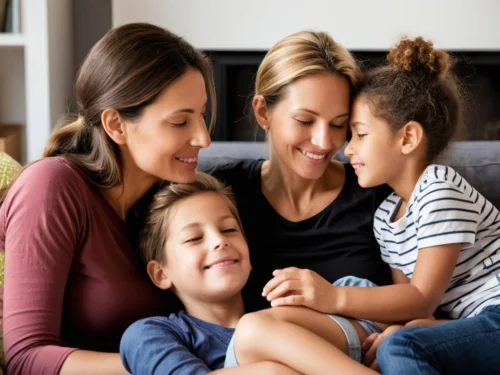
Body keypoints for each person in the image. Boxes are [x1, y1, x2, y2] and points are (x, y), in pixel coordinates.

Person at [0, 22, 214, 375]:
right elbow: (27, 358)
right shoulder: (52, 187)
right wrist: (174, 369)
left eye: (202, 115)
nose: (204, 138)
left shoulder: (167, 204)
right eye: (180, 122)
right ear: (115, 125)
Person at [286, 36, 500, 374]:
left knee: (401, 345)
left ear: (408, 138)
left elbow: (421, 297)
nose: (347, 149)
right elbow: (410, 308)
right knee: (395, 343)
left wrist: (331, 297)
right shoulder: (386, 217)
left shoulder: (439, 189)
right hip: (473, 323)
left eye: (360, 134)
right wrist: (405, 327)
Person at [201, 30, 393, 318]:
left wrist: (394, 330)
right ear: (263, 112)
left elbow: (417, 301)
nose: (324, 142)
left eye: (339, 124)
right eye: (305, 120)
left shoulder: (377, 193)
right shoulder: (221, 193)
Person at [120, 172, 386, 375]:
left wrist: (393, 331)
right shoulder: (152, 333)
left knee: (352, 288)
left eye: (228, 230)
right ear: (160, 273)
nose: (218, 242)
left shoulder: (288, 310)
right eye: (194, 238)